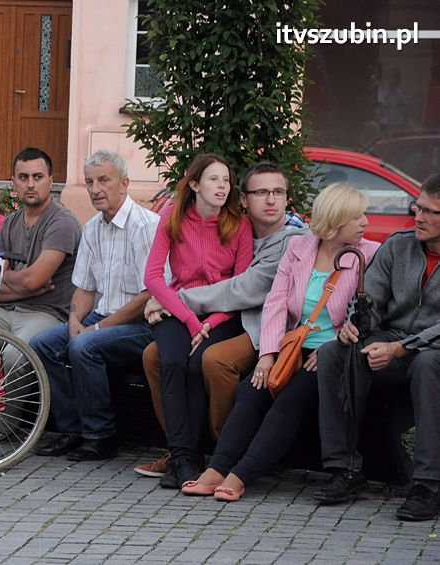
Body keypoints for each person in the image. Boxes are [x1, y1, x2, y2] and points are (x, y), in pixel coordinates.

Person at [180, 182, 378, 502]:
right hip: (293, 347)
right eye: (357, 216)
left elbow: (370, 313)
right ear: (336, 219)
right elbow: (275, 303)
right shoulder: (299, 248)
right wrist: (267, 355)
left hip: (332, 354)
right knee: (251, 390)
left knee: (290, 400)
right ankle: (217, 467)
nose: (365, 223)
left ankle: (241, 476)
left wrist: (336, 349)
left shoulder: (369, 254)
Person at [133, 163, 308, 478]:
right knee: (153, 356)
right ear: (245, 199)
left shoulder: (291, 239)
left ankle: (223, 449)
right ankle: (181, 450)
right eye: (262, 193)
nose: (271, 200)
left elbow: (242, 288)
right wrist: (182, 311)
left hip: (264, 326)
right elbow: (156, 273)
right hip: (220, 314)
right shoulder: (235, 224)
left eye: (278, 192)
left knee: (210, 360)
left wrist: (176, 303)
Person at [313, 173, 440, 521]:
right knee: (333, 354)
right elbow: (371, 299)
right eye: (418, 207)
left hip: (432, 351)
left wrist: (402, 349)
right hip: (394, 341)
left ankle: (427, 486)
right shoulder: (398, 245)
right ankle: (346, 468)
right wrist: (354, 326)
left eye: (430, 212)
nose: (419, 217)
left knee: (429, 363)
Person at [30, 149, 159, 461]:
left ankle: (100, 435)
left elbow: (148, 295)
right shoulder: (92, 228)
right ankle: (72, 430)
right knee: (42, 344)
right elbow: (85, 288)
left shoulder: (145, 226)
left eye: (104, 180)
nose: (95, 188)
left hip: (143, 324)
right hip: (104, 316)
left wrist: (96, 328)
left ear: (124, 183)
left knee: (84, 346)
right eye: (89, 182)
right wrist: (76, 321)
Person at [143, 153, 253, 489]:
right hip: (180, 309)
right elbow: (153, 277)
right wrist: (191, 321)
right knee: (173, 361)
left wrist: (212, 321)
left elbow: (242, 284)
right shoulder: (172, 218)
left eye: (226, 180)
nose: (222, 187)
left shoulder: (239, 224)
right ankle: (182, 459)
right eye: (213, 179)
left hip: (223, 315)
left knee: (196, 366)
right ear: (194, 184)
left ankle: (195, 454)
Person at [0, 148, 81, 440]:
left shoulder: (62, 221)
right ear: (13, 181)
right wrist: (21, 285)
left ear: (50, 181)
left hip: (48, 313)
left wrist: (18, 283)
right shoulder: (9, 223)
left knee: (15, 354)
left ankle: (7, 425)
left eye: (37, 177)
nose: (30, 183)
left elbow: (34, 278)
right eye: (23, 177)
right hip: (7, 309)